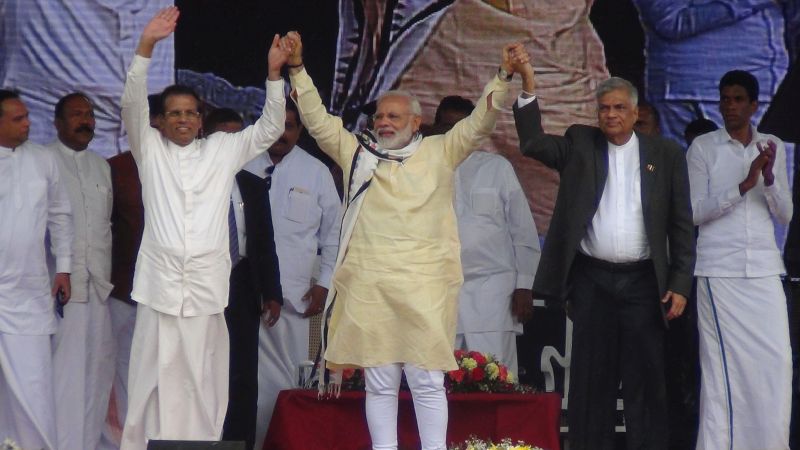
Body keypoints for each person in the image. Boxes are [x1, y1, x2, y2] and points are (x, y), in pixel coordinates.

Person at [283, 30, 519, 450]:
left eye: (394, 117)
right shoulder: (358, 154)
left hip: (423, 287)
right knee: (379, 382)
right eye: (379, 117)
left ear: (415, 123)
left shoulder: (440, 151)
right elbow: (317, 120)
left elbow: (480, 122)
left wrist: (502, 76)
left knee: (426, 380)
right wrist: (298, 69)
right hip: (370, 287)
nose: (384, 123)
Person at [118, 7, 288, 448]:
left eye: (190, 113)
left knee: (203, 378)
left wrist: (274, 75)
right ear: (160, 120)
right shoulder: (149, 149)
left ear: (201, 117)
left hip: (207, 286)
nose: (183, 119)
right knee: (150, 377)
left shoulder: (222, 150)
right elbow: (132, 104)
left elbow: (270, 127)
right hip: (159, 285)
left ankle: (201, 444)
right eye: (174, 113)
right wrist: (146, 47)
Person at [513, 59, 695, 449]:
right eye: (604, 108)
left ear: (635, 113)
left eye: (619, 108)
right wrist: (528, 86)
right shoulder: (581, 143)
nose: (611, 114)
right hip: (592, 281)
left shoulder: (665, 154)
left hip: (643, 282)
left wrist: (680, 283)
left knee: (645, 380)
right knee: (591, 382)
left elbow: (681, 224)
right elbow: (532, 144)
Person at [687, 70, 793, 450]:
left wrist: (769, 179)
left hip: (764, 269)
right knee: (724, 373)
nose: (729, 106)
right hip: (721, 271)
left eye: (737, 100)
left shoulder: (772, 145)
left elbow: (785, 214)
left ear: (753, 106)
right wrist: (743, 186)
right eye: (724, 99)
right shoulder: (703, 148)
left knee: (777, 364)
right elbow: (694, 212)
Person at [245, 101, 341, 450]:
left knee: (288, 384)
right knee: (244, 381)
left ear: (300, 131)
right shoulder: (241, 164)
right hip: (244, 298)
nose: (281, 134)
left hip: (294, 300)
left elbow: (335, 236)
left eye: (289, 126)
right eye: (275, 125)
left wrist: (324, 284)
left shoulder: (316, 172)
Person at [431, 95, 540, 377]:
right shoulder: (422, 169)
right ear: (436, 127)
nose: (455, 133)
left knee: (497, 379)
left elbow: (523, 231)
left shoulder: (497, 168)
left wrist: (524, 286)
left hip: (494, 292)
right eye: (447, 126)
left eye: (462, 126)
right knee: (440, 383)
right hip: (438, 291)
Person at [205, 109, 284, 450]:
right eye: (224, 136)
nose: (232, 144)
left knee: (241, 374)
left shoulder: (252, 184)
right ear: (206, 139)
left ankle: (239, 444)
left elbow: (264, 242)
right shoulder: (193, 180)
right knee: (204, 369)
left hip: (242, 286)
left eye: (238, 136)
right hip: (204, 284)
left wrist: (272, 293)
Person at [0, 89, 73, 450]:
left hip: (28, 291)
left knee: (34, 384)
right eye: (18, 119)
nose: (28, 123)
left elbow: (61, 216)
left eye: (27, 116)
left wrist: (64, 268)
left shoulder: (44, 159)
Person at [46, 92, 115, 450]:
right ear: (57, 122)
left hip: (98, 288)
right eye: (76, 114)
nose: (85, 120)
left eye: (89, 114)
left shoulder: (102, 166)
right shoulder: (43, 162)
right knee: (63, 376)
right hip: (61, 291)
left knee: (96, 376)